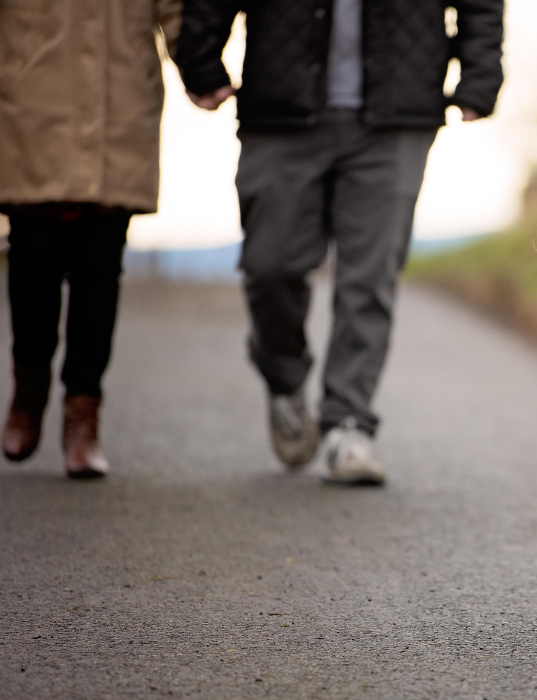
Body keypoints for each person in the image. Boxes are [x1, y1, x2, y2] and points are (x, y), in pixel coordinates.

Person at [175, 0, 504, 485]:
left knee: (369, 278)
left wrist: (480, 72)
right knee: (271, 267)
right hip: (281, 103)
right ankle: (285, 377)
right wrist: (201, 58)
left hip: (397, 109)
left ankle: (348, 424)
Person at [0, 0, 182, 478]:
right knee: (33, 268)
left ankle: (82, 419)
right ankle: (28, 391)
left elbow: (178, 10)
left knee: (100, 274)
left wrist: (202, 68)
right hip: (32, 104)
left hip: (117, 106)